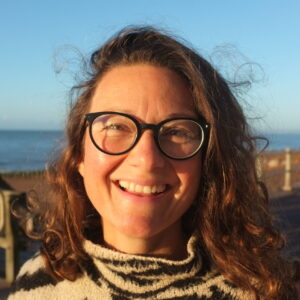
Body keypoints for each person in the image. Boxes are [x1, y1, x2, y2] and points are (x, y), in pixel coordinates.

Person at [9, 26, 298, 300]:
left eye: (176, 131)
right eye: (115, 127)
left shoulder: (266, 292)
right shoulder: (37, 284)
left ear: (208, 159)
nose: (146, 159)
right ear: (79, 156)